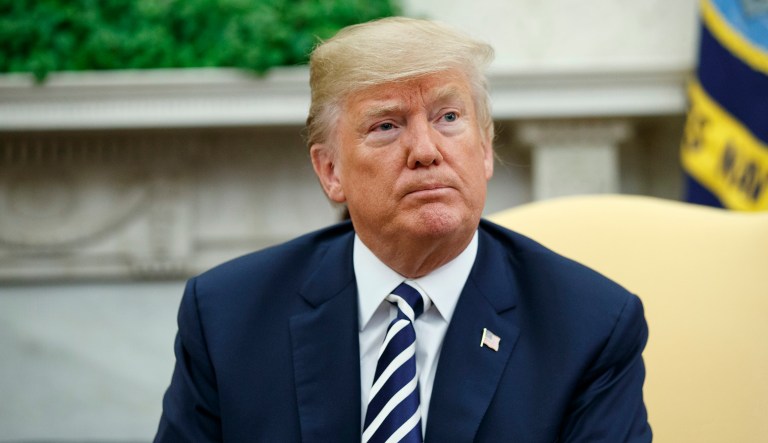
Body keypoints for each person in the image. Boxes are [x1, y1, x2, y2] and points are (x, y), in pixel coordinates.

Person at [154, 17, 651, 442]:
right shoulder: (227, 317)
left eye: (449, 117)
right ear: (331, 171)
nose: (426, 150)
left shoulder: (590, 327)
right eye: (386, 125)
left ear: (483, 150)